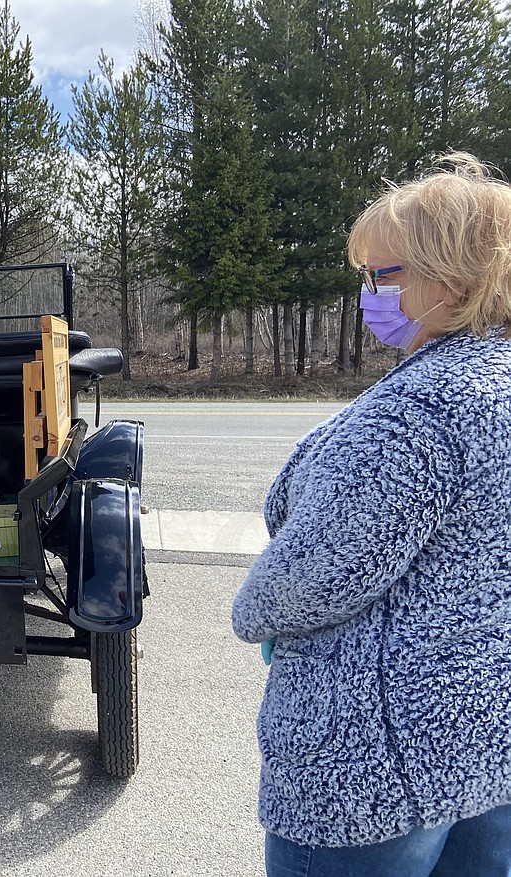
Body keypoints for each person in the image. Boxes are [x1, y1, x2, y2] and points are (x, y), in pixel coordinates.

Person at [232, 153, 511, 876]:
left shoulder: (419, 412)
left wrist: (250, 609)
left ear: (450, 280)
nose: (368, 292)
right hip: (483, 741)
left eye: (383, 275)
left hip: (374, 766)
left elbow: (314, 573)